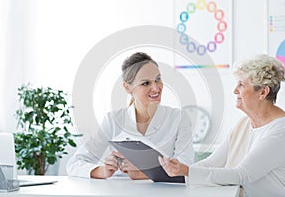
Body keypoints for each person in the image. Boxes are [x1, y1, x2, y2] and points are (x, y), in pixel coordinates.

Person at [159, 54, 285, 196]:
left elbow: (242, 174)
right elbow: (212, 163)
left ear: (263, 92)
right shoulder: (244, 124)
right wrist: (178, 171)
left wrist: (187, 171)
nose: (235, 90)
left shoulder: (281, 130)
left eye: (242, 85)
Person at [67, 52, 194, 180]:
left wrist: (142, 173)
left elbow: (185, 167)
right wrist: (102, 171)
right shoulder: (114, 120)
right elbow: (75, 163)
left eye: (158, 79)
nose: (156, 88)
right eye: (145, 83)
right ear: (128, 88)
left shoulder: (179, 118)